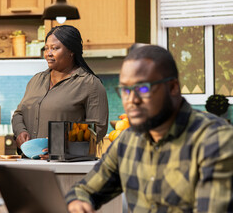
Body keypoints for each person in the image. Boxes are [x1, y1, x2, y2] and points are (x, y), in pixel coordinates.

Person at [66, 45, 233, 212]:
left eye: (143, 88)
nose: (132, 100)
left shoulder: (215, 139)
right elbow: (83, 190)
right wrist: (79, 204)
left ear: (173, 88)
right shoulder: (128, 140)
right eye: (125, 90)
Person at [12, 25, 108, 159]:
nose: (48, 53)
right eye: (46, 48)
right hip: (29, 162)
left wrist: (62, 149)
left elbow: (98, 129)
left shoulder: (90, 84)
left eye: (55, 48)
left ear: (71, 51)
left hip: (66, 167)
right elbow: (19, 114)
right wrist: (20, 132)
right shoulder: (36, 80)